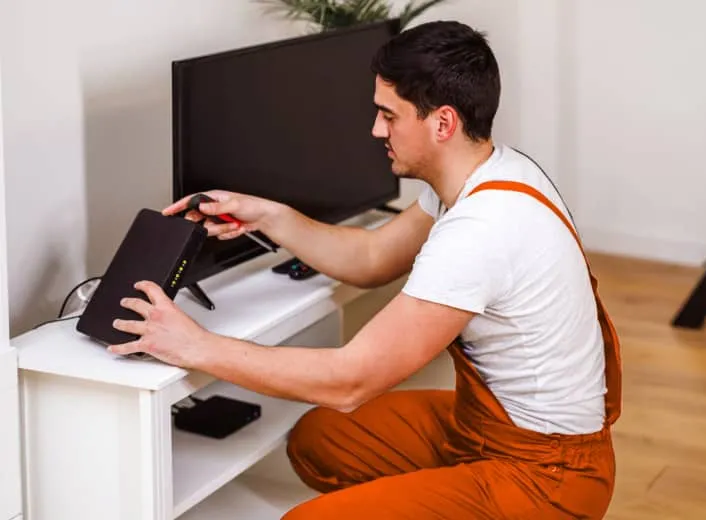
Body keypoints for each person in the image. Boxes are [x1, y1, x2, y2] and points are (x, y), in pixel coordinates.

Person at [109, 20, 622, 519]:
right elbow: (373, 259)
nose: (376, 129)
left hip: (547, 477)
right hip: (487, 429)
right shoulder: (491, 170)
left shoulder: (480, 231)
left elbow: (349, 381)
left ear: (442, 122)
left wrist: (196, 345)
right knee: (319, 441)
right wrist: (268, 215)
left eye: (389, 115)